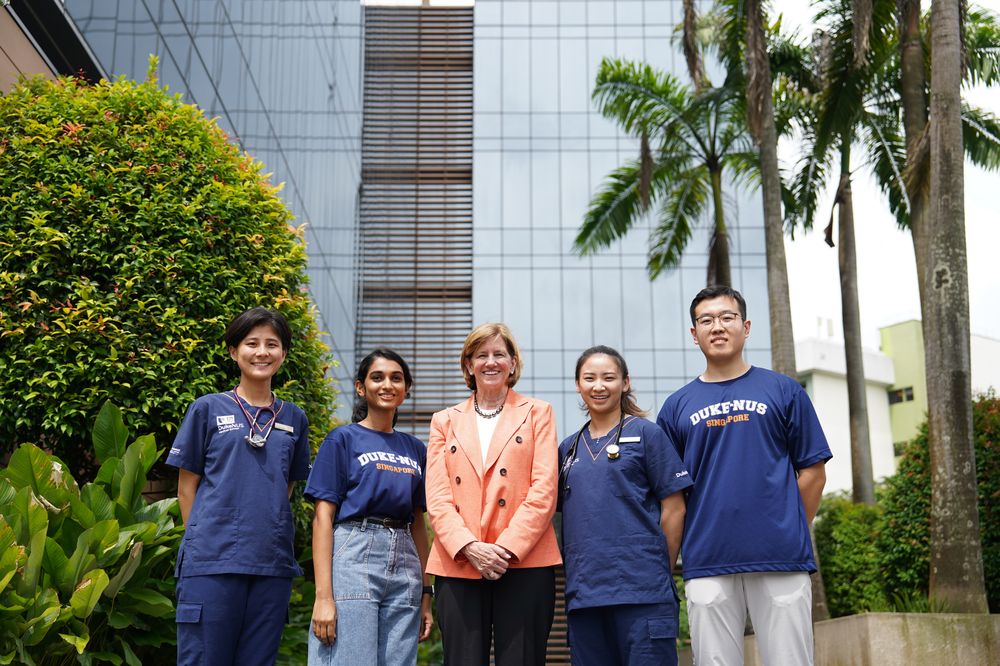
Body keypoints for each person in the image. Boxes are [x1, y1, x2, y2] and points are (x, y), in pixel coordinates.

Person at [656, 286, 832, 665]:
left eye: (727, 318)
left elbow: (813, 472)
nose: (717, 327)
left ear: (746, 326)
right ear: (694, 334)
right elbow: (671, 495)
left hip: (780, 557)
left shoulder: (783, 390)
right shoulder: (675, 407)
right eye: (706, 320)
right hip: (707, 559)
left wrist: (785, 527)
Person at [168, 307, 310, 666]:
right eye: (251, 343)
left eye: (272, 344)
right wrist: (202, 541)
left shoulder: (294, 417)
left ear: (283, 354)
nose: (262, 352)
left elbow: (287, 486)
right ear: (234, 351)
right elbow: (187, 488)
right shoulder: (207, 409)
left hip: (270, 564)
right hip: (211, 562)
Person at [425, 323, 562, 666]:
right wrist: (470, 547)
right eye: (481, 355)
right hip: (459, 560)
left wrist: (503, 549)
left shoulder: (537, 413)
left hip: (524, 560)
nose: (491, 362)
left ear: (513, 363)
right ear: (468, 364)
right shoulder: (444, 420)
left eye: (499, 354)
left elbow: (544, 489)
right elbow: (437, 497)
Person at [559, 346, 692, 666]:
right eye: (589, 378)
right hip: (585, 597)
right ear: (578, 385)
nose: (599, 386)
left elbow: (675, 508)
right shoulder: (567, 448)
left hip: (643, 592)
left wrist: (659, 567)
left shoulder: (647, 435)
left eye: (609, 377)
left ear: (626, 383)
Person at [305, 349, 433, 666]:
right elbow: (323, 519)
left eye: (396, 378)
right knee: (351, 659)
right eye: (377, 377)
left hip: (406, 561)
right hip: (355, 550)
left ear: (406, 389)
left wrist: (427, 593)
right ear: (362, 388)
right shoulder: (342, 440)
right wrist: (323, 597)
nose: (386, 384)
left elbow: (418, 521)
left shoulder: (416, 449)